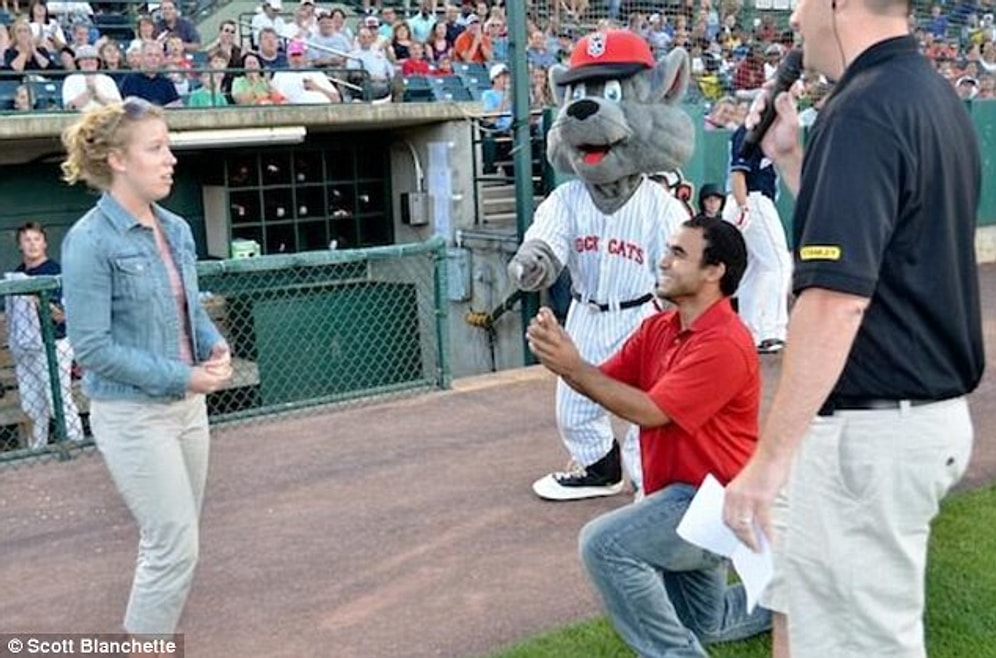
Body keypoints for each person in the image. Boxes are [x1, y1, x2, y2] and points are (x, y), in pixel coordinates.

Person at [722, 1, 984, 656]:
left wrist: (769, 459)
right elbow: (881, 244)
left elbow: (837, 301)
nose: (796, 20)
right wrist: (791, 163)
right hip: (904, 420)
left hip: (872, 432)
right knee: (811, 626)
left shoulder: (864, 108)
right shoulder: (927, 95)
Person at [527, 215, 771, 657]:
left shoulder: (725, 343)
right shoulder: (659, 328)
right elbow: (604, 384)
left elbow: (651, 412)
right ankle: (803, 592)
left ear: (714, 272)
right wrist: (563, 357)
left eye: (679, 253)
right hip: (680, 501)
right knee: (708, 622)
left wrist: (572, 366)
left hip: (713, 504)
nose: (663, 261)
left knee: (605, 544)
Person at [60, 97, 233, 640]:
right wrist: (183, 375)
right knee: (174, 545)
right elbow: (92, 347)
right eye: (155, 149)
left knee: (174, 541)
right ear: (117, 159)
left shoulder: (176, 228)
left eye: (169, 147)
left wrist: (214, 344)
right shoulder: (90, 240)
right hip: (132, 414)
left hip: (189, 409)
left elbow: (188, 305)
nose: (170, 159)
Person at [5, 223, 85, 449]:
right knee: (32, 404)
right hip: (26, 345)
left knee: (56, 397)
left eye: (36, 239)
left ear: (45, 243)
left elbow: (62, 316)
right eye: (27, 240)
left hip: (55, 343)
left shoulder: (55, 271)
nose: (32, 244)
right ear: (20, 245)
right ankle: (37, 448)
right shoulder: (17, 273)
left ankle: (74, 443)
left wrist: (37, 299)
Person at [722, 124, 792, 354]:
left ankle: (751, 333)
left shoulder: (764, 130)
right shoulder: (753, 129)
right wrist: (744, 207)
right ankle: (771, 331)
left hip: (746, 200)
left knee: (755, 269)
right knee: (779, 264)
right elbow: (738, 173)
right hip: (751, 199)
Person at [62, 44, 123, 112]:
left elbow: (118, 106)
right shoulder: (71, 80)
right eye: (85, 59)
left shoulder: (107, 80)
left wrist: (97, 95)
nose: (89, 61)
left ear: (97, 62)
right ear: (78, 62)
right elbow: (70, 107)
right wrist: (89, 92)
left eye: (92, 58)